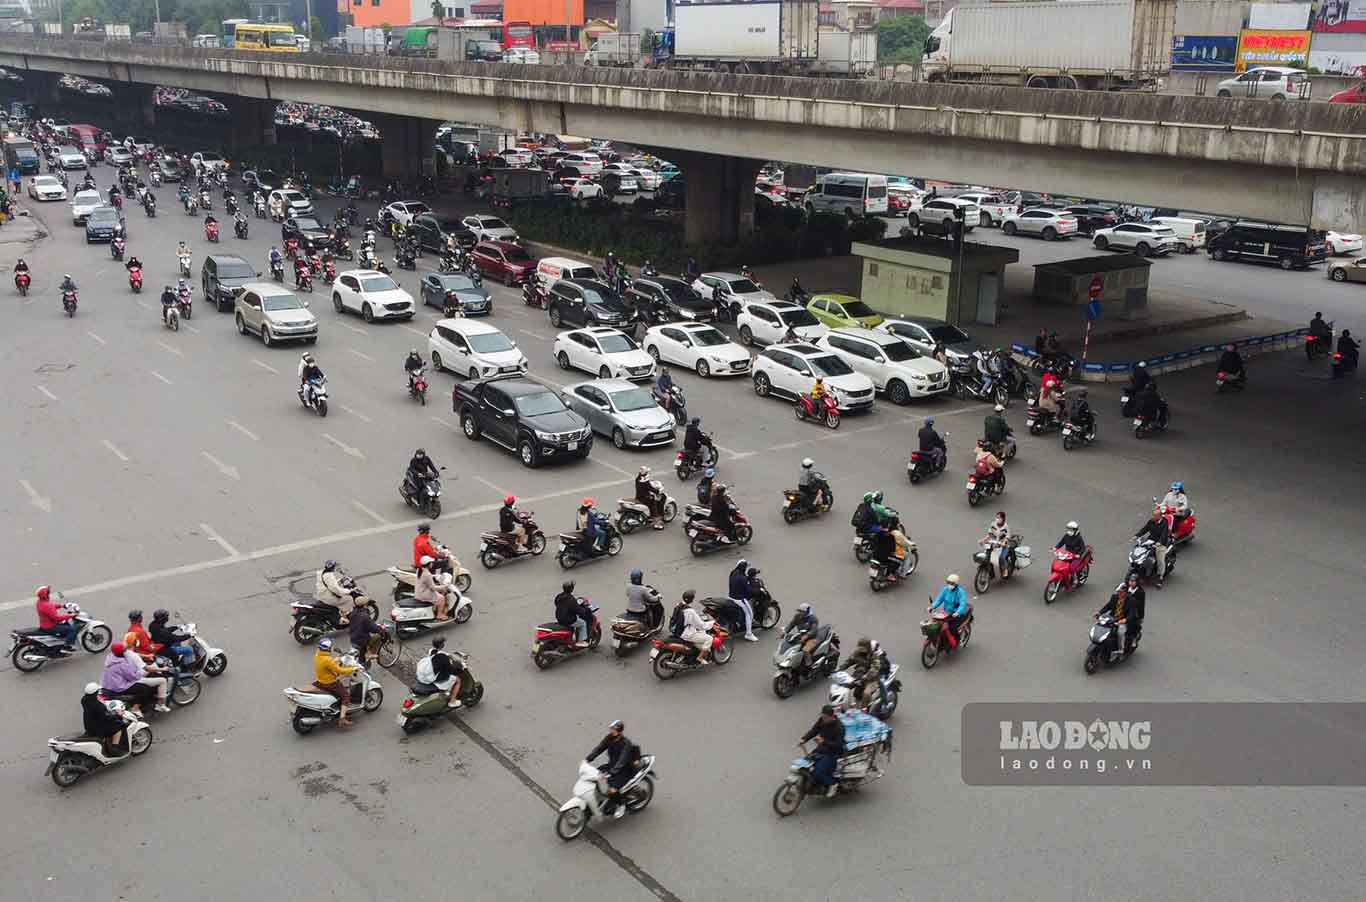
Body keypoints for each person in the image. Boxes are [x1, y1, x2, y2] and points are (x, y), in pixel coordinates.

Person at [586, 720, 643, 818]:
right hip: (612, 766)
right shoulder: (609, 738)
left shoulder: (626, 743)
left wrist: (612, 772)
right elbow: (599, 748)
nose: (611, 731)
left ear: (619, 731)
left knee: (611, 789)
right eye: (611, 729)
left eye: (613, 729)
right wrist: (587, 759)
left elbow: (622, 760)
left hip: (625, 769)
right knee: (595, 777)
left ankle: (621, 805)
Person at [101, 642, 158, 716]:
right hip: (118, 687)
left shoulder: (110, 658)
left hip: (107, 684)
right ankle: (135, 708)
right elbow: (132, 677)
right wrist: (142, 672)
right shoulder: (122, 664)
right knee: (145, 689)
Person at [800, 705, 846, 797]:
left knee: (818, 772)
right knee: (806, 763)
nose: (823, 719)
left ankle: (833, 784)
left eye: (825, 717)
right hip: (822, 749)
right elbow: (814, 730)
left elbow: (838, 745)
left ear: (831, 716)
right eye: (822, 716)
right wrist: (804, 739)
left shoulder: (839, 727)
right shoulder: (822, 720)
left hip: (833, 753)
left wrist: (824, 741)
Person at [118, 639, 173, 712]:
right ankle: (160, 705)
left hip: (128, 675)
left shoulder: (123, 653)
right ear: (135, 643)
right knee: (162, 681)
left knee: (152, 667)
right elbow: (147, 669)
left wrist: (147, 655)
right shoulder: (133, 656)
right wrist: (162, 669)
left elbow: (137, 655)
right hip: (134, 677)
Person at [1097, 573, 1145, 657]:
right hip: (1114, 618)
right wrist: (1100, 612)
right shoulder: (1115, 597)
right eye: (1117, 592)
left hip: (1125, 618)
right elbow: (1108, 606)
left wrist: (1125, 620)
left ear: (1124, 592)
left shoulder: (1132, 600)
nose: (1118, 594)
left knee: (1120, 632)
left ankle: (1121, 649)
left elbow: (1133, 613)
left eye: (1120, 592)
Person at [312, 637, 356, 727]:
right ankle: (342, 719)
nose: (332, 647)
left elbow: (327, 663)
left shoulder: (318, 655)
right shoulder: (327, 660)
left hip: (320, 680)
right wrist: (353, 668)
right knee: (346, 695)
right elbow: (340, 671)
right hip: (330, 682)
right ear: (328, 648)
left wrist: (336, 660)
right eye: (331, 646)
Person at [840, 637, 889, 708]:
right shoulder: (856, 652)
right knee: (843, 687)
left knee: (866, 694)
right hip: (859, 675)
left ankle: (864, 712)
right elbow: (849, 661)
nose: (862, 651)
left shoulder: (874, 655)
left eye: (863, 648)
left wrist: (865, 677)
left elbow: (875, 669)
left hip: (872, 679)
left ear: (868, 647)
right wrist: (840, 669)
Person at [81, 683, 128, 757]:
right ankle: (114, 748)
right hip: (98, 728)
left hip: (89, 725)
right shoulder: (98, 706)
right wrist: (117, 715)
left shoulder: (84, 700)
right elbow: (107, 717)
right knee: (119, 726)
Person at [670, 590, 714, 663]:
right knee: (709, 638)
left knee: (699, 634)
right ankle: (700, 657)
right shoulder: (690, 611)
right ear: (692, 599)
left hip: (676, 630)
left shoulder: (678, 605)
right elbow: (701, 625)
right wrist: (712, 623)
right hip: (686, 634)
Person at [1133, 509, 1171, 589]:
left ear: (1160, 516)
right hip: (1150, 541)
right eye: (1153, 515)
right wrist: (1137, 535)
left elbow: (1164, 534)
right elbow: (1145, 529)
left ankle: (1160, 577)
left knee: (1160, 560)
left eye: (1155, 516)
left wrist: (1159, 542)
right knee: (1142, 551)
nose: (1153, 517)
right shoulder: (1151, 521)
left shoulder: (1164, 523)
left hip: (1160, 543)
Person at [929, 574, 969, 648]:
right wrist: (932, 606)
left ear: (956, 584)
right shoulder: (945, 590)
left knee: (952, 628)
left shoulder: (961, 592)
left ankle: (956, 642)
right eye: (948, 582)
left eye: (952, 583)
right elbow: (939, 599)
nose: (949, 585)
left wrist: (957, 612)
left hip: (957, 614)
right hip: (946, 613)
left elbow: (962, 605)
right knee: (937, 625)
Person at [314, 560, 358, 624]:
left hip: (323, 595)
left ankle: (341, 613)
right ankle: (344, 618)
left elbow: (329, 585)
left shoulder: (322, 573)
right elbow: (336, 590)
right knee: (349, 599)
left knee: (343, 597)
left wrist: (341, 581)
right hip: (328, 598)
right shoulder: (329, 576)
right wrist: (349, 591)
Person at [425, 636, 463, 708]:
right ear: (441, 645)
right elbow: (449, 668)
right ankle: (452, 701)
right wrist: (458, 670)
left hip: (430, 674)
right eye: (443, 643)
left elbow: (446, 655)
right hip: (438, 677)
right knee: (458, 680)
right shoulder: (442, 656)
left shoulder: (431, 651)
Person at [728, 559, 759, 642]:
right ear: (744, 568)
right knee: (749, 613)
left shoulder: (733, 573)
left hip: (730, 596)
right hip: (739, 599)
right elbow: (748, 590)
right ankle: (749, 634)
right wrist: (756, 590)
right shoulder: (742, 578)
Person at [555, 580, 592, 648]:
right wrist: (585, 610)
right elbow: (578, 610)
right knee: (582, 623)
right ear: (571, 589)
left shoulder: (559, 596)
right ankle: (581, 641)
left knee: (574, 624)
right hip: (568, 620)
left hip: (559, 617)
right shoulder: (571, 599)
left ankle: (570, 639)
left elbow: (556, 603)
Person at [414, 555, 451, 621]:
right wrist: (444, 586)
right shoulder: (427, 574)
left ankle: (434, 609)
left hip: (418, 592)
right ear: (428, 564)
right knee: (442, 598)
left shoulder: (419, 570)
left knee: (437, 594)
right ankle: (439, 615)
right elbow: (433, 588)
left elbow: (426, 581)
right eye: (431, 562)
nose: (432, 563)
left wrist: (435, 576)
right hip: (423, 595)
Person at [786, 603, 821, 667]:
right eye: (799, 611)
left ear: (807, 612)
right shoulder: (797, 616)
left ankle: (809, 664)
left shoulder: (813, 619)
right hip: (800, 636)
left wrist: (806, 636)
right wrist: (785, 632)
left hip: (812, 638)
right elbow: (791, 624)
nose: (800, 613)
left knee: (805, 650)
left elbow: (814, 630)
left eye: (802, 612)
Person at [980, 511, 1012, 578]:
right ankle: (990, 573)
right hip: (994, 543)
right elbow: (989, 535)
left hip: (1003, 544)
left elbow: (1007, 537)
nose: (996, 519)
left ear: (1003, 519)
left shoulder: (1006, 526)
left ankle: (1005, 570)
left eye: (998, 517)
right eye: (996, 517)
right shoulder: (993, 524)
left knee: (1001, 558)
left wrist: (1004, 542)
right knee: (987, 556)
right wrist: (983, 540)